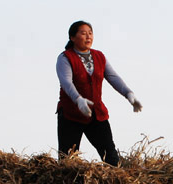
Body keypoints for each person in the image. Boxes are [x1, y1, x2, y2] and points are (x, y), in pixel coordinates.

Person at [56, 20, 142, 165]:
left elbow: (113, 77)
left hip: (96, 114)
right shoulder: (65, 58)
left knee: (111, 157)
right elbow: (66, 82)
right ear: (72, 37)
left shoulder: (99, 56)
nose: (88, 37)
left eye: (90, 33)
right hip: (71, 114)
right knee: (67, 160)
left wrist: (129, 94)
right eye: (83, 33)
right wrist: (78, 99)